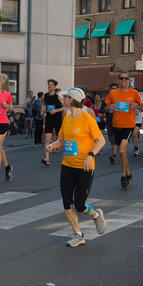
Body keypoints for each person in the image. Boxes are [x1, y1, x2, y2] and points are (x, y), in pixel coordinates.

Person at [46, 88, 106, 247]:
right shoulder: (66, 118)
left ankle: (96, 215)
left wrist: (91, 155)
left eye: (65, 97)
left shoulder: (87, 119)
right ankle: (78, 235)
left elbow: (101, 141)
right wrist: (53, 145)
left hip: (84, 166)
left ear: (72, 100)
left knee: (79, 205)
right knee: (67, 203)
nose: (63, 98)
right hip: (67, 165)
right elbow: (61, 140)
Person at [104, 71, 143, 190]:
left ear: (129, 80)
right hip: (117, 125)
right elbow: (105, 107)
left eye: (126, 78)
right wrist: (109, 107)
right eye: (122, 78)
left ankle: (123, 177)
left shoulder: (134, 92)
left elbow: (141, 106)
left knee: (121, 150)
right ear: (119, 80)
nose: (124, 80)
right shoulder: (113, 93)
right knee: (123, 152)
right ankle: (128, 174)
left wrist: (135, 106)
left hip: (129, 125)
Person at [41, 79, 64, 166]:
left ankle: (64, 158)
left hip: (57, 119)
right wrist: (43, 111)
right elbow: (44, 104)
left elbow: (65, 107)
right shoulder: (46, 96)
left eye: (51, 85)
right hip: (49, 119)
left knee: (60, 139)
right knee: (47, 139)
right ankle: (47, 158)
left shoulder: (59, 96)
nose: (49, 86)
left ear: (54, 86)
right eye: (48, 84)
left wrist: (56, 110)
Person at [101, 83, 118, 163]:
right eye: (112, 88)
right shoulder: (106, 99)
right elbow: (102, 109)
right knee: (110, 137)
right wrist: (108, 108)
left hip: (119, 120)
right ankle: (114, 144)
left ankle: (114, 155)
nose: (114, 90)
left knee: (116, 137)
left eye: (115, 88)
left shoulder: (120, 98)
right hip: (109, 120)